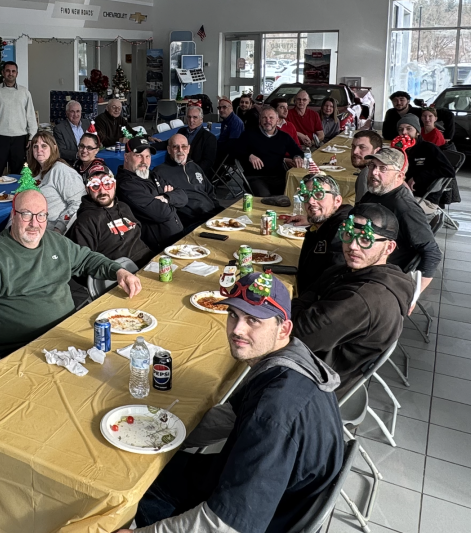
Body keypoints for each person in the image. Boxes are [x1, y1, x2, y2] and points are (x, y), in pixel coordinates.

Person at [126, 271, 343, 533]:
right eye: (233, 316)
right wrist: (162, 436)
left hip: (267, 516)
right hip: (273, 490)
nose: (237, 330)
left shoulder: (274, 411)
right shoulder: (289, 359)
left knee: (140, 483)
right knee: (162, 464)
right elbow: (230, 417)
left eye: (253, 320)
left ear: (283, 327)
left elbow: (225, 524)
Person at [0, 187, 142, 359]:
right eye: (26, 214)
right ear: (13, 215)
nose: (34, 223)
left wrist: (118, 271)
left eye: (41, 215)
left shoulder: (55, 241)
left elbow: (87, 258)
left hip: (67, 334)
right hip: (25, 349)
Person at [292, 204, 410, 395]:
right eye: (348, 234)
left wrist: (301, 303)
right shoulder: (353, 270)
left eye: (366, 239)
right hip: (317, 359)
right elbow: (309, 290)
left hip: (315, 384)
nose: (352, 246)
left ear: (389, 247)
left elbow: (297, 332)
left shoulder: (363, 299)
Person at [359, 147, 441, 292]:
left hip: (379, 275)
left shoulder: (405, 208)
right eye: (372, 165)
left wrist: (413, 295)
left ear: (399, 176)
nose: (373, 172)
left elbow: (432, 253)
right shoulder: (376, 192)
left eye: (383, 168)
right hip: (362, 255)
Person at [67, 162, 153, 267]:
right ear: (88, 190)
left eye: (107, 183)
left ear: (114, 185)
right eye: (95, 185)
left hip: (149, 261)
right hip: (124, 272)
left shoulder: (123, 207)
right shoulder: (86, 221)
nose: (102, 191)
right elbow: (84, 263)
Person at [116, 137, 188, 252]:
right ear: (126, 157)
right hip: (159, 250)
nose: (144, 161)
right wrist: (173, 203)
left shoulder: (152, 175)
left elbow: (183, 197)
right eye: (139, 155)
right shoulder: (126, 185)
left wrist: (166, 197)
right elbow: (161, 213)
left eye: (147, 156)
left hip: (178, 240)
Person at [290, 174, 352, 293]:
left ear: (337, 201)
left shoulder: (342, 230)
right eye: (306, 196)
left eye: (319, 194)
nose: (311, 201)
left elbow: (334, 281)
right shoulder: (322, 224)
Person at [0, 61, 37, 177]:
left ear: (17, 73)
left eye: (13, 71)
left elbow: (30, 116)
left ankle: (17, 195)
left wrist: (32, 137)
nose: (10, 73)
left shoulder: (25, 92)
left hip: (19, 138)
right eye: (7, 71)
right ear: (3, 73)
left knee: (18, 173)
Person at [233, 106, 304, 196]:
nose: (268, 120)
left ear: (277, 120)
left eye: (271, 118)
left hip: (278, 177)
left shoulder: (284, 137)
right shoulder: (249, 134)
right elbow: (235, 150)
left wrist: (297, 157)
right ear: (260, 120)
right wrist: (249, 156)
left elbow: (298, 152)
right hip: (255, 177)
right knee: (265, 197)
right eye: (264, 118)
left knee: (294, 193)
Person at [154, 133, 220, 229]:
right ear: (169, 150)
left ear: (188, 149)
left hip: (212, 213)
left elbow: (210, 191)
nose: (180, 150)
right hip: (192, 221)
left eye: (184, 147)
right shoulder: (160, 172)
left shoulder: (194, 166)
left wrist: (219, 210)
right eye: (175, 147)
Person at [27, 130, 85, 233]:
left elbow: (78, 203)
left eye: (44, 146)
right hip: (33, 227)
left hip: (52, 231)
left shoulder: (61, 170)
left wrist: (59, 228)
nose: (39, 150)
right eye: (35, 146)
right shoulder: (36, 173)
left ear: (54, 148)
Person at [394, 114, 455, 201]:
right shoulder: (398, 149)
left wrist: (417, 178)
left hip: (423, 197)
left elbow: (449, 171)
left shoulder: (428, 148)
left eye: (409, 128)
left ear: (417, 132)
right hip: (400, 193)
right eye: (400, 129)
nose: (404, 132)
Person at [177, 104, 218, 175]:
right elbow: (170, 142)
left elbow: (208, 162)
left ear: (201, 119)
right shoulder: (182, 131)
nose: (191, 120)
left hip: (195, 173)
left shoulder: (209, 138)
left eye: (195, 117)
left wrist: (191, 172)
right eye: (189, 117)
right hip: (178, 169)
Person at [351, 130, 382, 201]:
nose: (355, 151)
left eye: (362, 147)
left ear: (376, 151)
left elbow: (361, 210)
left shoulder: (368, 173)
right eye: (353, 147)